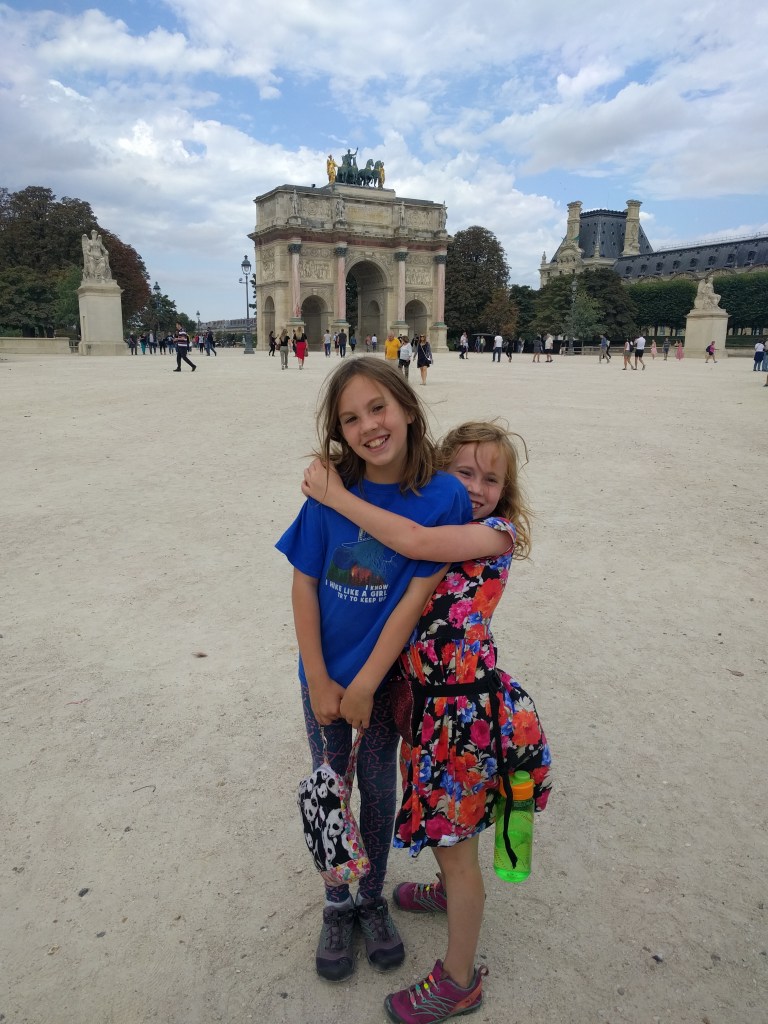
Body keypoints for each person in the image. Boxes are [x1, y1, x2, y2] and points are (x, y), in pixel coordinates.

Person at [301, 421, 552, 1023]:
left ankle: (459, 981)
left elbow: (412, 541)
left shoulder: (495, 534)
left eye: (492, 478)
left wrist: (334, 494)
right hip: (433, 707)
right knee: (447, 825)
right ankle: (445, 891)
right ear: (440, 471)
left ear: (507, 493)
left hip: (462, 714)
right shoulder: (447, 520)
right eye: (464, 472)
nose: (477, 487)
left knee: (458, 847)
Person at [276, 359, 472, 985]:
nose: (369, 425)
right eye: (350, 418)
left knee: (379, 786)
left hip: (387, 677)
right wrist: (320, 678)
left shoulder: (445, 497)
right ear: (339, 431)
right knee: (330, 786)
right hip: (326, 675)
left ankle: (371, 894)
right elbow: (304, 586)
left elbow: (415, 596)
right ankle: (339, 900)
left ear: (409, 409)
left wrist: (366, 684)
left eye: (378, 408)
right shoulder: (327, 492)